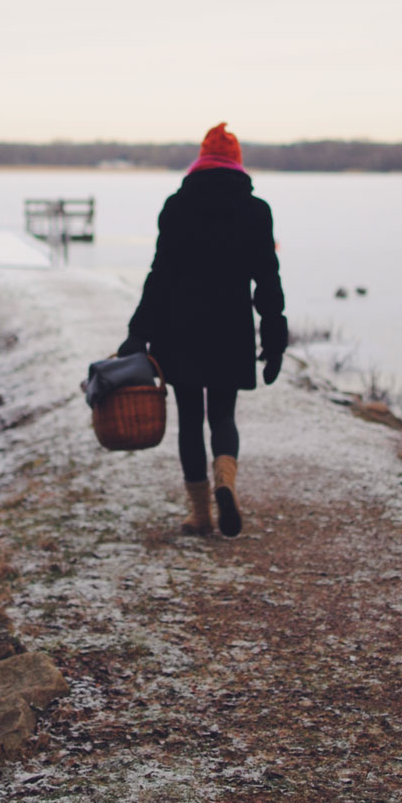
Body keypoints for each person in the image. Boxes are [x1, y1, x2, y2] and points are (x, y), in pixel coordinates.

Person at [118, 123, 287, 538]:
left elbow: (160, 275)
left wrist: (138, 332)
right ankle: (225, 483)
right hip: (231, 327)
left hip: (180, 328)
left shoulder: (177, 206)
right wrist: (274, 334)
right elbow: (267, 277)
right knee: (224, 414)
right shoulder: (256, 210)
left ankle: (200, 515)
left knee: (191, 420)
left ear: (201, 159)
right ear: (237, 162)